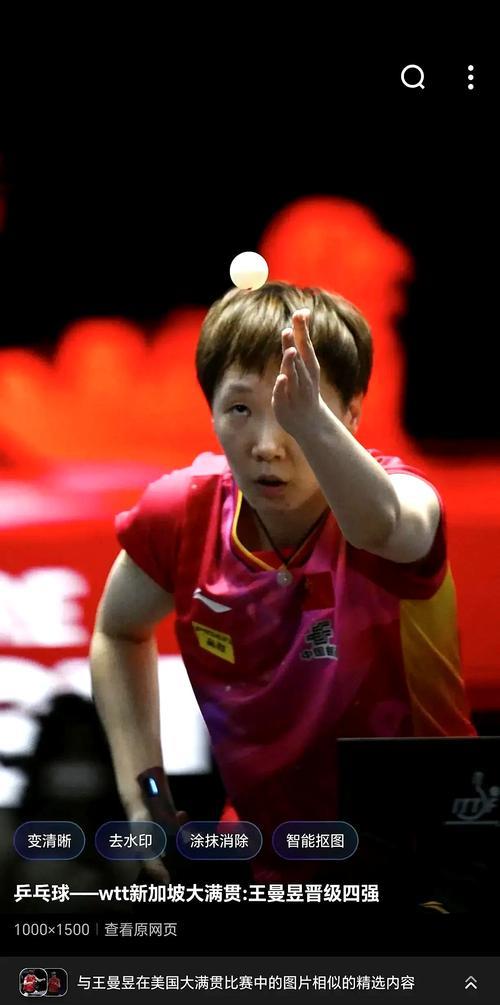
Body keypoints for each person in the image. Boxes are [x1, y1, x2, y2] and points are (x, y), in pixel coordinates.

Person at [90, 281, 476, 883]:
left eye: (297, 407)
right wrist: (145, 797)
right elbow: (118, 632)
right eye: (240, 409)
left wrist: (314, 425)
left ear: (351, 414)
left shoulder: (404, 498)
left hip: (432, 860)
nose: (268, 446)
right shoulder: (182, 515)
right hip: (267, 859)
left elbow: (383, 528)